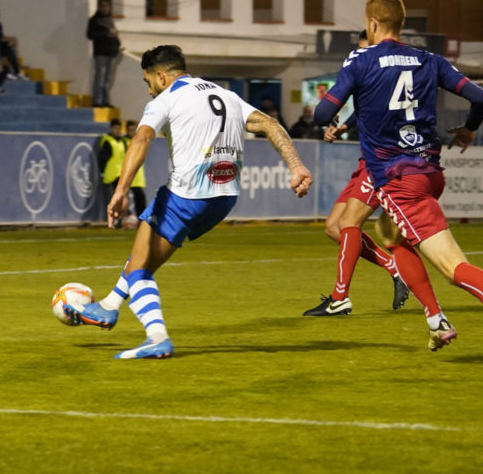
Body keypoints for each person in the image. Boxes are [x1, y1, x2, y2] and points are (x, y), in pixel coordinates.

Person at [313, 0, 483, 364]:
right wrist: (469, 130)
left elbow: (322, 112)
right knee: (391, 235)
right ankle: (436, 320)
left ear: (372, 24)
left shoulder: (361, 60)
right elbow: (481, 98)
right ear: (401, 24)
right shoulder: (430, 60)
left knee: (452, 267)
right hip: (429, 172)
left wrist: (337, 105)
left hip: (398, 180)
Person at [63, 44, 313, 359]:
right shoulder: (225, 95)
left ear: (162, 76)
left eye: (148, 82)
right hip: (224, 198)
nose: (149, 90)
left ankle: (156, 338)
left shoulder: (168, 98)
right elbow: (270, 124)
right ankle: (109, 307)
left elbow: (141, 138)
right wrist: (296, 166)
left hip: (187, 194)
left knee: (140, 269)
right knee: (144, 256)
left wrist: (120, 190)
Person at [303, 29, 410, 317]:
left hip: (383, 161)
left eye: (365, 49)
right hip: (367, 160)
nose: (361, 56)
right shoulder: (376, 72)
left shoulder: (386, 73)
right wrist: (344, 127)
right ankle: (394, 268)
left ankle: (340, 298)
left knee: (349, 223)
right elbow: (362, 106)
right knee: (333, 227)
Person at [86, 0, 120, 108]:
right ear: (99, 7)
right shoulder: (94, 20)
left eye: (107, 6)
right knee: (99, 78)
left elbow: (114, 36)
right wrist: (105, 34)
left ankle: (105, 101)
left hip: (111, 52)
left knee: (108, 79)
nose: (105, 9)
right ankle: (97, 101)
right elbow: (90, 35)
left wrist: (117, 45)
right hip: (100, 52)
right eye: (103, 6)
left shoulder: (110, 20)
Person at [96, 119, 127, 223]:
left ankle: (118, 218)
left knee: (120, 197)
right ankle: (113, 218)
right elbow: (103, 158)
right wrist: (102, 171)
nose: (117, 130)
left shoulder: (122, 141)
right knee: (113, 197)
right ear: (111, 128)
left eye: (119, 128)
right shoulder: (107, 140)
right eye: (115, 128)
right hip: (111, 173)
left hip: (121, 173)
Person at [124, 119, 147, 218]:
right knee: (124, 198)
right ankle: (121, 219)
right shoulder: (123, 142)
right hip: (125, 174)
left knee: (140, 197)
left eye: (134, 129)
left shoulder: (138, 141)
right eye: (130, 129)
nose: (132, 132)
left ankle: (140, 218)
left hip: (136, 175)